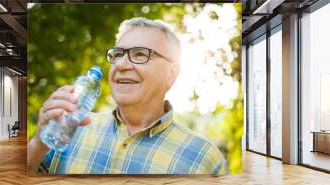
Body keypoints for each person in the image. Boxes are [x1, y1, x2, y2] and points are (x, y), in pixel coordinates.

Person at [27, 17, 228, 175]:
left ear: (171, 74)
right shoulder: (70, 129)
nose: (120, 65)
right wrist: (37, 144)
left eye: (140, 54)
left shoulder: (205, 159)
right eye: (117, 55)